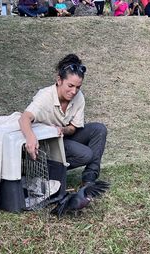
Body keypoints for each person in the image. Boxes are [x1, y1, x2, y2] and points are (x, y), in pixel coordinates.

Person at [19, 54, 107, 186]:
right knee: (86, 154)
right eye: (70, 85)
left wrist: (62, 129)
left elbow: (73, 128)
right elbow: (24, 118)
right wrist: (30, 137)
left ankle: (89, 179)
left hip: (62, 137)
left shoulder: (79, 97)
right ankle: (43, 171)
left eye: (78, 87)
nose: (74, 91)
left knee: (99, 129)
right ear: (59, 80)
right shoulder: (45, 96)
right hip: (46, 144)